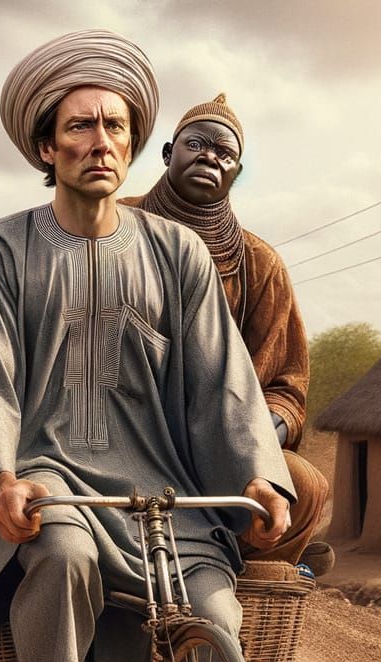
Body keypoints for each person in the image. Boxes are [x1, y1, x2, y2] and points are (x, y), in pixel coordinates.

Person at [0, 29, 309, 662]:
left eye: (113, 127)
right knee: (60, 554)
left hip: (166, 489)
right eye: (78, 128)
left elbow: (224, 379)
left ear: (134, 143)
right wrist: (1, 477)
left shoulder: (176, 254)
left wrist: (257, 471)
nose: (98, 142)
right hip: (48, 476)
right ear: (44, 146)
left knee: (217, 617)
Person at [121, 94, 329, 568]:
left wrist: (248, 443)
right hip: (114, 432)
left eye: (225, 153)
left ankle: (229, 591)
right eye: (197, 144)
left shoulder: (259, 264)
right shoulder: (113, 227)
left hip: (218, 450)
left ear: (236, 173)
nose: (210, 157)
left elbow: (286, 388)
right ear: (168, 153)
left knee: (303, 486)